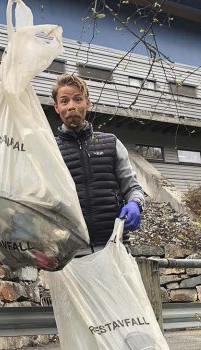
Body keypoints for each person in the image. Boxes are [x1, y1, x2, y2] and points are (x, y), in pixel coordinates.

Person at [51, 74, 145, 252]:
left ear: (87, 103)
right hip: (69, 253)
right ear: (57, 107)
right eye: (65, 101)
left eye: (78, 99)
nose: (72, 106)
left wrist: (136, 204)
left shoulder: (111, 143)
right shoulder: (49, 148)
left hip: (114, 248)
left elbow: (133, 188)